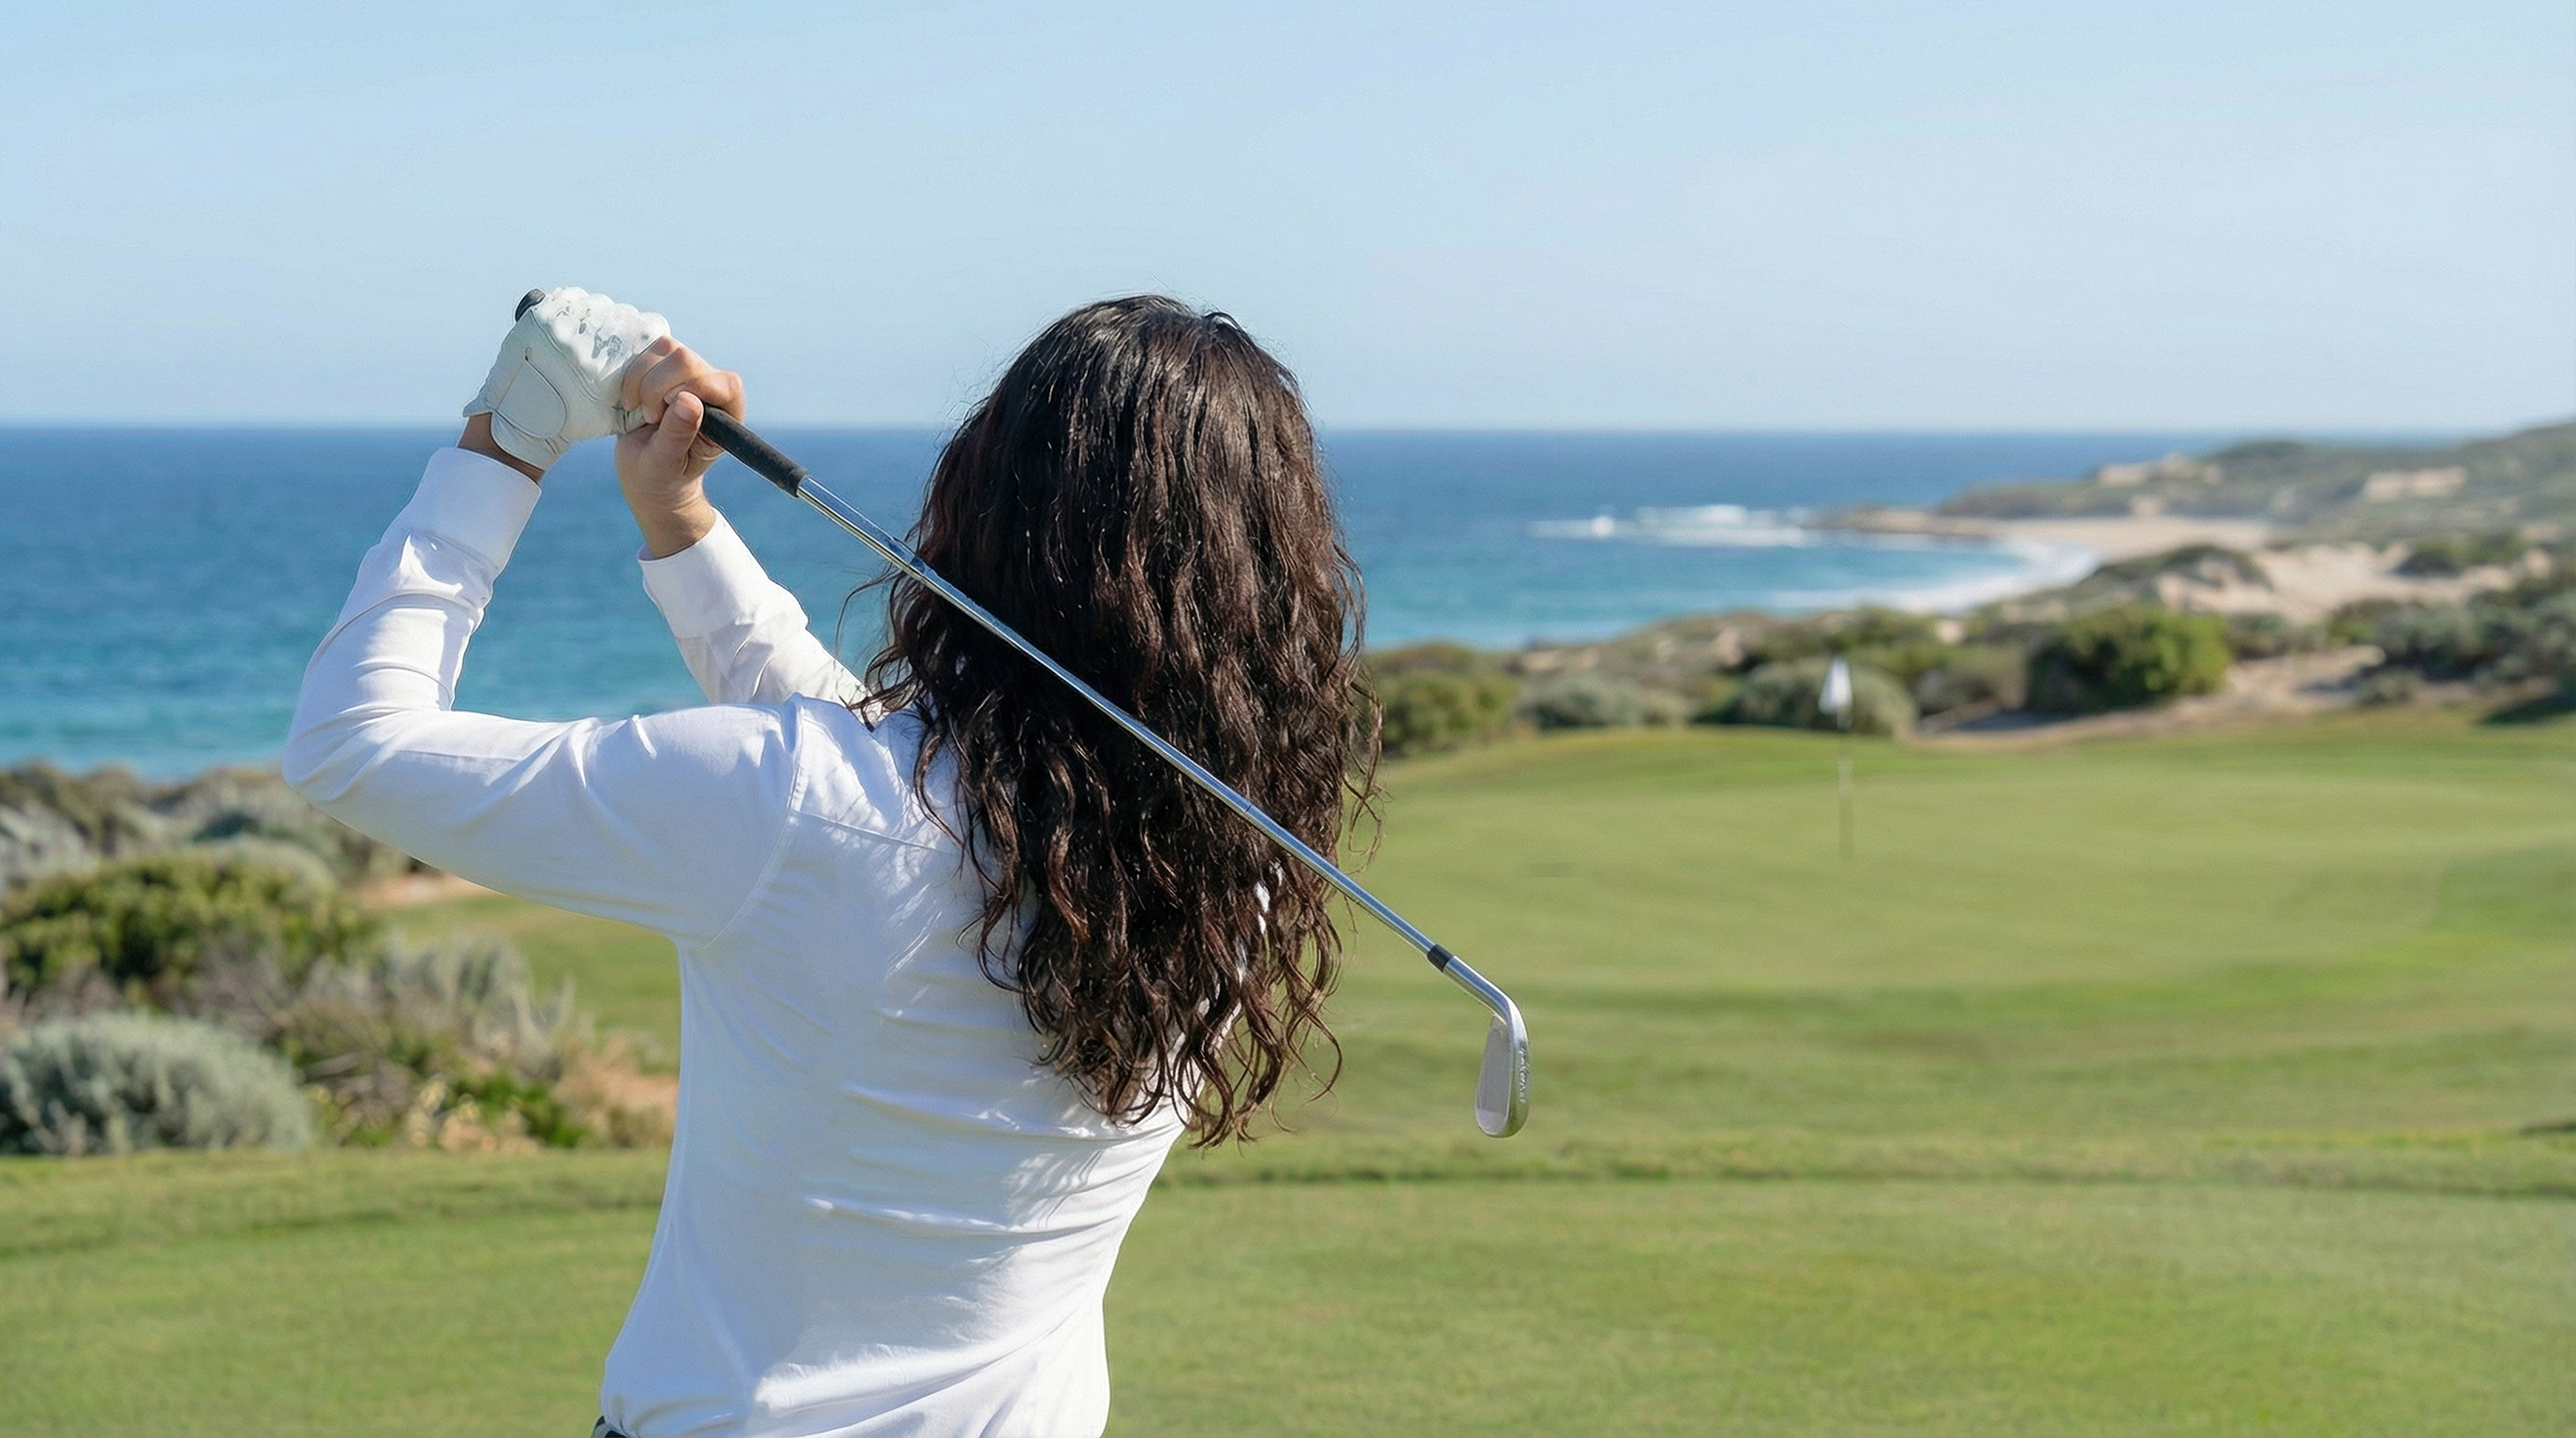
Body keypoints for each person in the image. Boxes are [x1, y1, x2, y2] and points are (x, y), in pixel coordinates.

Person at [285, 289, 1376, 1437]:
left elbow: (353, 744)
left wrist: (509, 437)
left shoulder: (811, 807)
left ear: (990, 506)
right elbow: (868, 792)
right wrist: (679, 521)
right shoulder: (1226, 864)